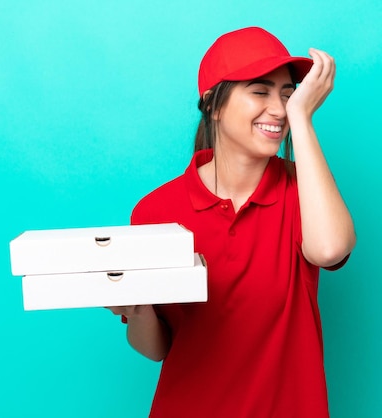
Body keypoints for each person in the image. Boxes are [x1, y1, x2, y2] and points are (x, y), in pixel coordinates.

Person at [107, 26, 356, 417]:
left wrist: (303, 121)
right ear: (213, 104)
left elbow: (329, 249)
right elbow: (156, 348)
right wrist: (138, 312)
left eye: (288, 95)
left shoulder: (304, 189)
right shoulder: (155, 211)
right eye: (260, 91)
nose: (279, 109)